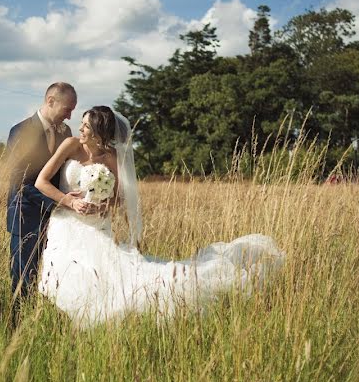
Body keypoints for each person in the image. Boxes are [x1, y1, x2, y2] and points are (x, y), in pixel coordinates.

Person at [35, 106, 285, 327]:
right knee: (63, 272)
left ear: (100, 132)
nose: (80, 128)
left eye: (86, 125)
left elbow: (118, 199)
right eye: (82, 123)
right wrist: (70, 201)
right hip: (66, 222)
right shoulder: (70, 146)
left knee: (113, 273)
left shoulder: (112, 157)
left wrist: (100, 206)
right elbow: (41, 182)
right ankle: (62, 320)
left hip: (97, 224)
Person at [6, 82, 92, 319]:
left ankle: (44, 322)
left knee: (53, 275)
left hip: (59, 220)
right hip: (26, 217)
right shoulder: (21, 131)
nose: (70, 115)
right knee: (24, 276)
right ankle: (17, 328)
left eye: (74, 110)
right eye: (67, 108)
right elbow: (19, 181)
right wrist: (59, 202)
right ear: (51, 101)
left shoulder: (65, 133)